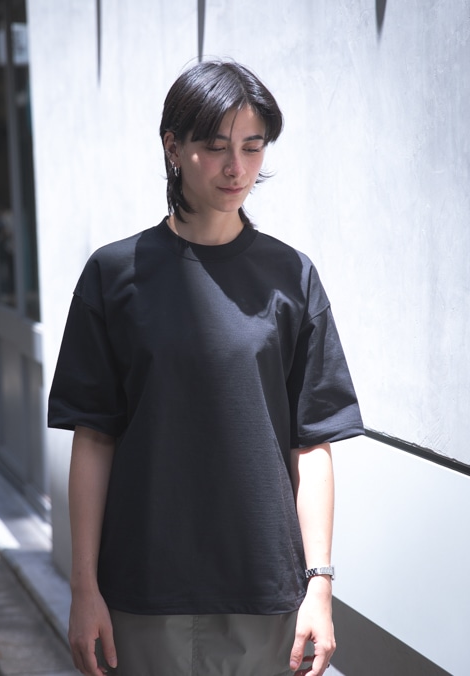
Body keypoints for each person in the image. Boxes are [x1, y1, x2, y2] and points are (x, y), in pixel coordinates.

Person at [48, 60, 364, 676]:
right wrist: (84, 588)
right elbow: (94, 438)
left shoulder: (291, 276)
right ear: (172, 147)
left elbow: (312, 442)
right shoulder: (114, 275)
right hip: (141, 590)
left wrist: (320, 586)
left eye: (252, 147)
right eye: (216, 147)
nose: (236, 168)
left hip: (264, 592)